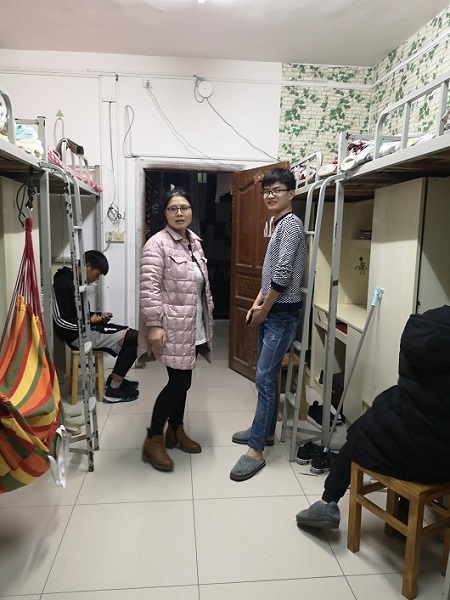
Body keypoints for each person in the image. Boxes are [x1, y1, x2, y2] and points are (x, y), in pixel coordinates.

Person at [296, 305, 450, 530]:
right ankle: (404, 511)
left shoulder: (420, 328)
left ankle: (327, 502)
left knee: (358, 434)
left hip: (403, 451)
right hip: (441, 463)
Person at [230, 167, 306, 482]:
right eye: (267, 191)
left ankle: (256, 450)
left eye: (277, 190)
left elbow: (284, 273)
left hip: (282, 314)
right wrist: (256, 303)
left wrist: (265, 308)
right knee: (267, 378)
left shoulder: (292, 225)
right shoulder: (279, 224)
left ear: (291, 193)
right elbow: (270, 271)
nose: (270, 195)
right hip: (272, 309)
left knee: (263, 379)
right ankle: (265, 431)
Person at [138, 187, 214, 472]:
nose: (179, 213)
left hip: (192, 324)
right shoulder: (156, 244)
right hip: (171, 325)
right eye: (173, 208)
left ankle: (176, 430)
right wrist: (154, 324)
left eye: (184, 207)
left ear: (191, 211)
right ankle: (154, 438)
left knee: (184, 381)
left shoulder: (194, 243)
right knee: (178, 383)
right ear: (165, 213)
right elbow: (149, 288)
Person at [53, 250, 139, 404]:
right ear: (87, 266)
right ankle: (113, 390)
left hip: (86, 330)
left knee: (133, 335)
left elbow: (80, 314)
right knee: (135, 338)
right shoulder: (62, 284)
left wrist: (98, 317)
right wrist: (90, 321)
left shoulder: (76, 283)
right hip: (77, 337)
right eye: (97, 274)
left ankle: (114, 380)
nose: (95, 279)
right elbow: (61, 322)